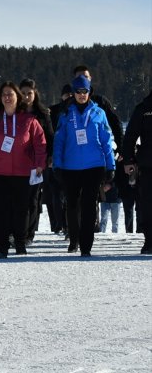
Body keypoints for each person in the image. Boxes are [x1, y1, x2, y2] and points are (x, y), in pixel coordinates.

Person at [0, 82, 46, 259]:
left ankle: (20, 243)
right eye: (4, 95)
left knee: (21, 210)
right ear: (0, 99)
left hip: (23, 173)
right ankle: (1, 247)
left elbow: (40, 144)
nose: (7, 97)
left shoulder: (29, 120)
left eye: (11, 94)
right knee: (0, 211)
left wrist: (40, 164)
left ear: (18, 97)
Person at [53, 75, 115, 256]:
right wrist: (57, 164)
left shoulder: (99, 113)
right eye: (78, 92)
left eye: (84, 92)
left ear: (90, 92)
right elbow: (59, 141)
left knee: (89, 206)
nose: (81, 95)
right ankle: (74, 239)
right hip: (70, 167)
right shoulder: (65, 114)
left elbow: (107, 141)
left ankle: (86, 245)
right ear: (73, 93)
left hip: (94, 166)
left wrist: (111, 166)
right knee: (72, 205)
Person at [20, 78, 54, 244]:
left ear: (35, 94)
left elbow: (50, 136)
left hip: (37, 163)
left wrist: (50, 157)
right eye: (23, 93)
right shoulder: (15, 113)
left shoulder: (43, 113)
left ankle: (29, 233)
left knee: (33, 199)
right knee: (19, 198)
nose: (26, 96)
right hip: (18, 162)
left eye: (29, 93)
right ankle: (18, 230)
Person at [122, 90, 152, 254]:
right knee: (147, 205)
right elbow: (130, 136)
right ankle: (149, 240)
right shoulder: (143, 108)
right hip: (148, 164)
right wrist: (128, 160)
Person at [47, 84, 73, 235]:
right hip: (55, 157)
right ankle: (59, 224)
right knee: (56, 195)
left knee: (70, 195)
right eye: (66, 94)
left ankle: (69, 225)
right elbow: (49, 135)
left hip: (72, 158)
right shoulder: (53, 110)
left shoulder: (77, 111)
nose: (69, 97)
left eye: (71, 94)